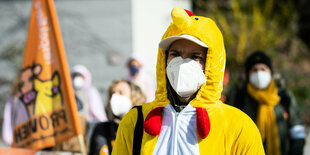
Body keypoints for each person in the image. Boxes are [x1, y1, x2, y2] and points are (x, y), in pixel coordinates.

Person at [112, 7, 264, 154]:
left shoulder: (238, 127)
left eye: (195, 56)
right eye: (175, 54)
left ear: (211, 64)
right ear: (164, 60)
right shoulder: (134, 122)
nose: (182, 62)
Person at [226, 51, 306, 155]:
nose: (259, 73)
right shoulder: (237, 95)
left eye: (263, 69)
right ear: (248, 73)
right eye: (254, 70)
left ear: (270, 72)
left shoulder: (284, 96)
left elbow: (297, 131)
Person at [89, 79, 146, 155]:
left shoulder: (145, 129)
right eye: (112, 94)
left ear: (134, 98)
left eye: (121, 93)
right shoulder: (101, 130)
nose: (115, 97)